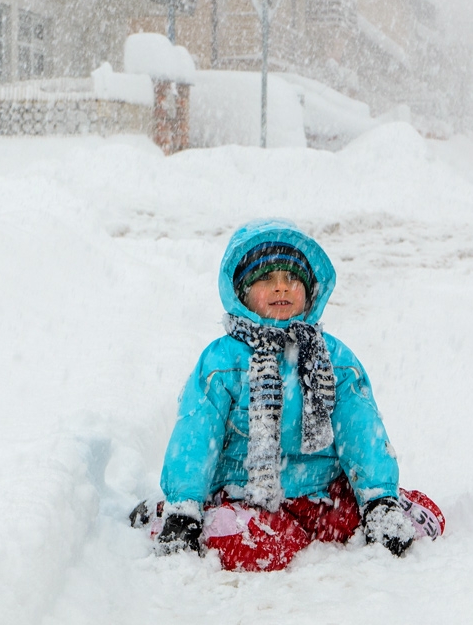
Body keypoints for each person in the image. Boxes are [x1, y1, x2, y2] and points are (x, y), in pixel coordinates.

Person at [133, 219, 444, 572]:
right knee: (264, 546)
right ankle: (171, 517)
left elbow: (361, 430)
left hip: (319, 492)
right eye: (266, 278)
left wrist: (379, 499)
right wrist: (185, 505)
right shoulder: (223, 362)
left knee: (423, 518)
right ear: (242, 292)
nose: (281, 288)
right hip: (247, 492)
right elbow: (196, 435)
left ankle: (348, 516)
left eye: (292, 278)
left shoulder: (332, 359)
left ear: (310, 290)